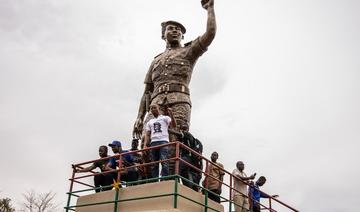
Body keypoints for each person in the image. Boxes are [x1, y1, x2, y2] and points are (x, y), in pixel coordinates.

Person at [133, 0, 217, 175]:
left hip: (178, 100)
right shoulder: (155, 60)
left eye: (178, 30)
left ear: (182, 36)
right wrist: (139, 117)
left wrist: (210, 9)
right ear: (163, 35)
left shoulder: (188, 52)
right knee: (146, 142)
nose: (175, 31)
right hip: (155, 103)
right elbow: (146, 91)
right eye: (170, 28)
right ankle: (147, 180)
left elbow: (210, 34)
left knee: (174, 140)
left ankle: (169, 181)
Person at [144, 104, 176, 180]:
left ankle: (164, 178)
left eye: (155, 108)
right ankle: (155, 179)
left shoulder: (165, 118)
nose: (153, 109)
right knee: (154, 163)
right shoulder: (150, 122)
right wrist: (145, 145)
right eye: (151, 108)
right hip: (153, 142)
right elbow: (147, 134)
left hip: (163, 141)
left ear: (159, 109)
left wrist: (171, 113)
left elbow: (174, 125)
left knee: (164, 160)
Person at [169, 123, 203, 191]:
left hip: (188, 157)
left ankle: (175, 184)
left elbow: (179, 134)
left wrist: (168, 130)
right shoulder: (183, 138)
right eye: (182, 128)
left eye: (185, 128)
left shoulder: (188, 134)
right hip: (187, 159)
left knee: (177, 166)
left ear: (187, 129)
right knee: (186, 176)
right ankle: (191, 189)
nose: (183, 130)